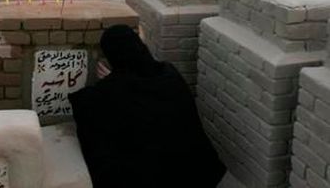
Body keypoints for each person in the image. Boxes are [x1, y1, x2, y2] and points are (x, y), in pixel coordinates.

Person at [68, 25, 225, 188]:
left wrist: (112, 80)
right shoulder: (169, 73)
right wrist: (115, 79)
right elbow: (134, 88)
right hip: (197, 173)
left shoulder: (113, 91)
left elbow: (86, 103)